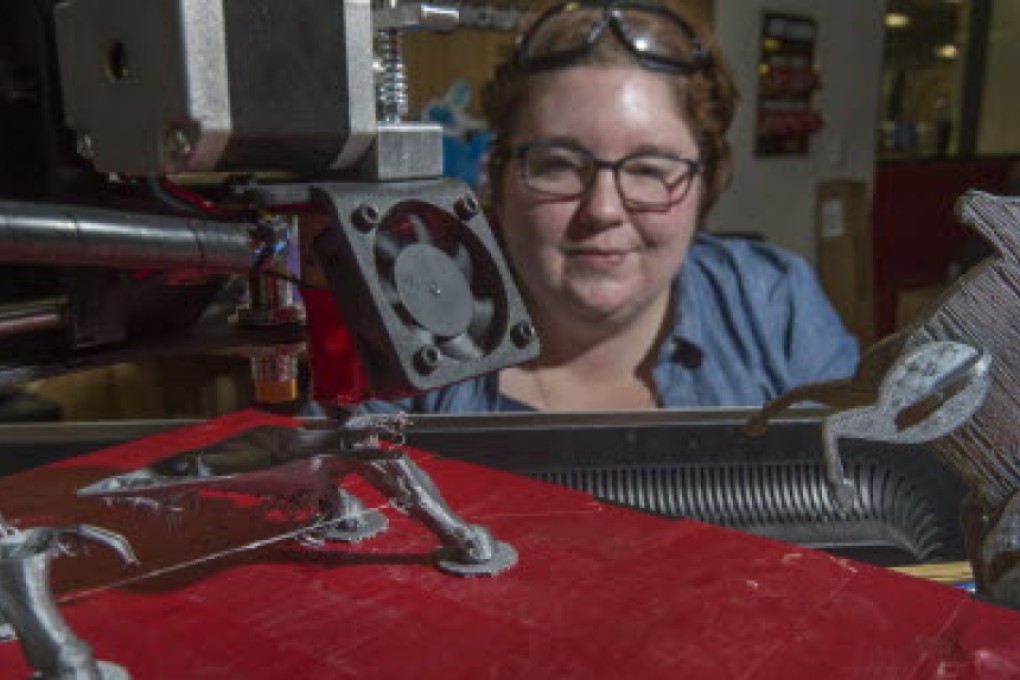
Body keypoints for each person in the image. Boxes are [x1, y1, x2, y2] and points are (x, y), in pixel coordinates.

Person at [359, 0, 858, 414]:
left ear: (707, 184)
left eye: (648, 169)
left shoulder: (774, 306)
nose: (602, 210)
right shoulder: (407, 329)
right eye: (558, 164)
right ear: (497, 180)